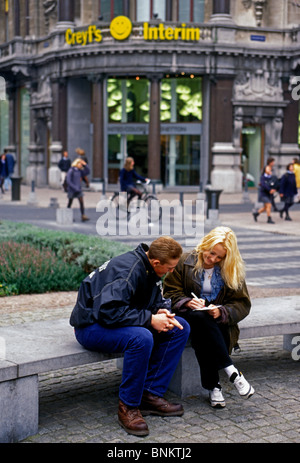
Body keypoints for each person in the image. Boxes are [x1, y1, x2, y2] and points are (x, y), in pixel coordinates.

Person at [69, 237, 190, 437]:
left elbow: (139, 301)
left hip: (113, 320)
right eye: (169, 268)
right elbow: (108, 312)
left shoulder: (149, 266)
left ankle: (150, 394)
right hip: (90, 326)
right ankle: (128, 406)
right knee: (141, 338)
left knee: (180, 327)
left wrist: (159, 311)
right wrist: (150, 319)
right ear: (156, 262)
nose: (171, 273)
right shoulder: (128, 271)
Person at [163, 227, 254, 409]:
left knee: (205, 330)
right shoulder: (185, 261)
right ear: (205, 244)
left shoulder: (231, 270)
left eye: (219, 257)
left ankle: (214, 386)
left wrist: (221, 311)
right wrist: (187, 302)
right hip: (188, 316)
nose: (212, 259)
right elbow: (169, 292)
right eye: (211, 253)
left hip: (218, 323)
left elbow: (242, 304)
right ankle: (231, 371)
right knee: (199, 319)